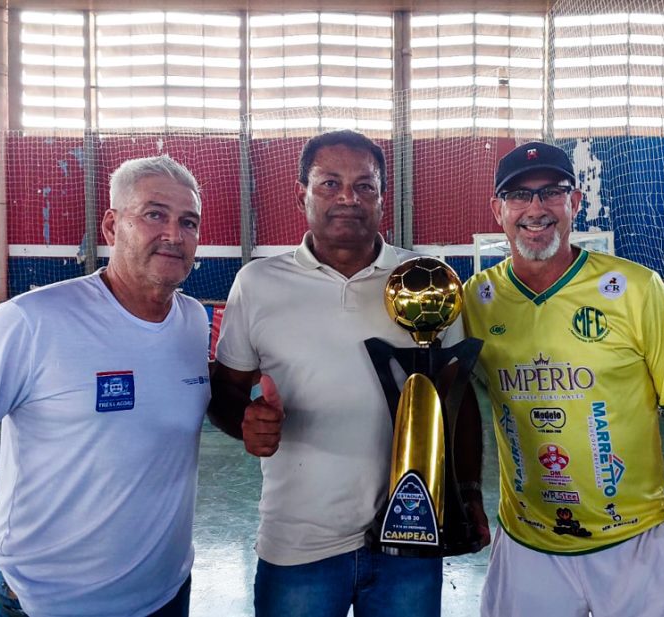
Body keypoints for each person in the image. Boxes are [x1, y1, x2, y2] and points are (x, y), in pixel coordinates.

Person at [0, 155, 211, 617]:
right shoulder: (33, 320)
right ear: (112, 225)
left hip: (166, 595)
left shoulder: (194, 322)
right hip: (45, 604)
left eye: (189, 222)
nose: (174, 235)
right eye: (154, 214)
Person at [208, 129, 489, 617]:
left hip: (411, 535)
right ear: (302, 195)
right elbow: (225, 390)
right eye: (330, 184)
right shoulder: (257, 283)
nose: (348, 199)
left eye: (365, 185)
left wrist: (466, 495)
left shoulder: (425, 280)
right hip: (298, 542)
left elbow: (456, 399)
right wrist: (244, 423)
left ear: (382, 197)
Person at [462, 141, 664, 616]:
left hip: (638, 539)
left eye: (551, 192)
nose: (536, 209)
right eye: (518, 195)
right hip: (528, 544)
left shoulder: (637, 289)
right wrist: (468, 493)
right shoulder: (476, 299)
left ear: (575, 202)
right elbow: (456, 403)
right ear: (498, 210)